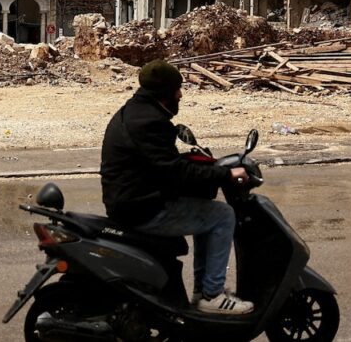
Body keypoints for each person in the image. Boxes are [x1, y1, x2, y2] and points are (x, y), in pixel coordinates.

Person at [100, 59, 254, 316]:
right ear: (164, 92)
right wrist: (225, 175)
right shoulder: (151, 122)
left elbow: (160, 163)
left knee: (207, 212)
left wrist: (205, 167)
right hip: (142, 208)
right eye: (177, 89)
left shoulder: (135, 111)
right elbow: (175, 171)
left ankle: (202, 291)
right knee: (223, 215)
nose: (180, 94)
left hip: (131, 199)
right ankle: (212, 295)